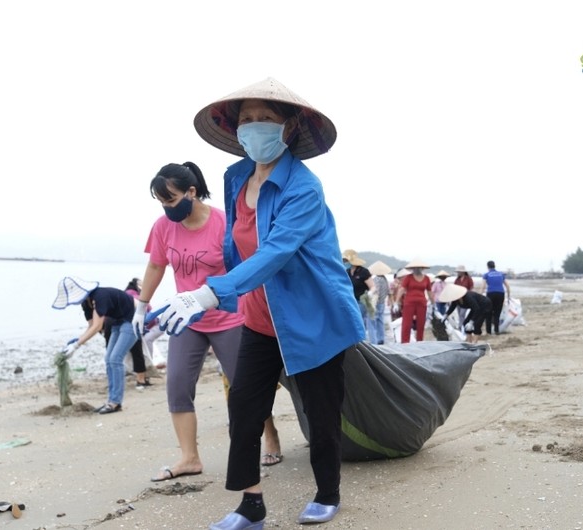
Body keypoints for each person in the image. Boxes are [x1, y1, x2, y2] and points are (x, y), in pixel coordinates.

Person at [151, 77, 363, 528]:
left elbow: (275, 252)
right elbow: (236, 246)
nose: (254, 127)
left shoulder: (304, 188)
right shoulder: (235, 177)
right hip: (259, 318)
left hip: (312, 318)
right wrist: (199, 298)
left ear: (288, 128)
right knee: (244, 409)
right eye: (247, 119)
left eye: (266, 119)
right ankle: (251, 505)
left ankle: (328, 493)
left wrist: (211, 291)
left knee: (320, 413)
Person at [132, 161, 282, 483]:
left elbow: (249, 267)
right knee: (177, 385)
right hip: (187, 319)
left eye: (171, 200)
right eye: (162, 203)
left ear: (191, 191)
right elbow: (156, 266)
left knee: (244, 386)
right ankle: (189, 457)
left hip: (229, 316)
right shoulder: (162, 227)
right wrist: (141, 307)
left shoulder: (224, 223)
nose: (167, 208)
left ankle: (270, 435)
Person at [51, 277, 138, 414]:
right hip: (117, 323)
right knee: (109, 359)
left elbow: (98, 326)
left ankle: (115, 403)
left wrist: (77, 346)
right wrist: (75, 342)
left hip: (133, 321)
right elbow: (91, 326)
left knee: (115, 359)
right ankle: (111, 401)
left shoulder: (100, 296)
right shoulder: (86, 303)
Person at [395, 258, 434, 343]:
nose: (417, 269)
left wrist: (433, 303)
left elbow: (430, 291)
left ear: (422, 268)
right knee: (406, 324)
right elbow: (401, 289)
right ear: (412, 268)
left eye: (419, 267)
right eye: (415, 268)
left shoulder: (426, 278)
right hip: (409, 303)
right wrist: (396, 302)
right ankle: (405, 343)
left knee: (421, 324)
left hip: (422, 303)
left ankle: (419, 342)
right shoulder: (408, 278)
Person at [342, 249, 374, 339]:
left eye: (346, 261)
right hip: (351, 300)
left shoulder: (363, 272)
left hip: (361, 301)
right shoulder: (347, 272)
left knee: (358, 321)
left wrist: (371, 292)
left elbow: (373, 286)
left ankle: (362, 341)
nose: (344, 262)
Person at [481, 260, 511, 335]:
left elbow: (483, 286)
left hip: (491, 293)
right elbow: (507, 285)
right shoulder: (501, 274)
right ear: (494, 266)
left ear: (487, 267)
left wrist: (480, 296)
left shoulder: (486, 275)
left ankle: (488, 331)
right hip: (500, 293)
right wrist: (508, 296)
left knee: (489, 312)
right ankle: (496, 330)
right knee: (497, 313)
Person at [367, 261, 392, 345]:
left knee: (372, 322)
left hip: (376, 303)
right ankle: (381, 338)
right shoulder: (385, 279)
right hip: (382, 302)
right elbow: (388, 291)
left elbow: (376, 292)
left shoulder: (376, 279)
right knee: (380, 321)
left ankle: (373, 341)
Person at [453, 265, 474, 330]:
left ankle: (461, 326)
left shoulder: (468, 279)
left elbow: (471, 287)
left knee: (462, 313)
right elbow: (454, 288)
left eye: (459, 271)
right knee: (459, 313)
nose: (458, 273)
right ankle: (461, 325)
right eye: (458, 272)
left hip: (466, 298)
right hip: (458, 298)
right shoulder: (457, 280)